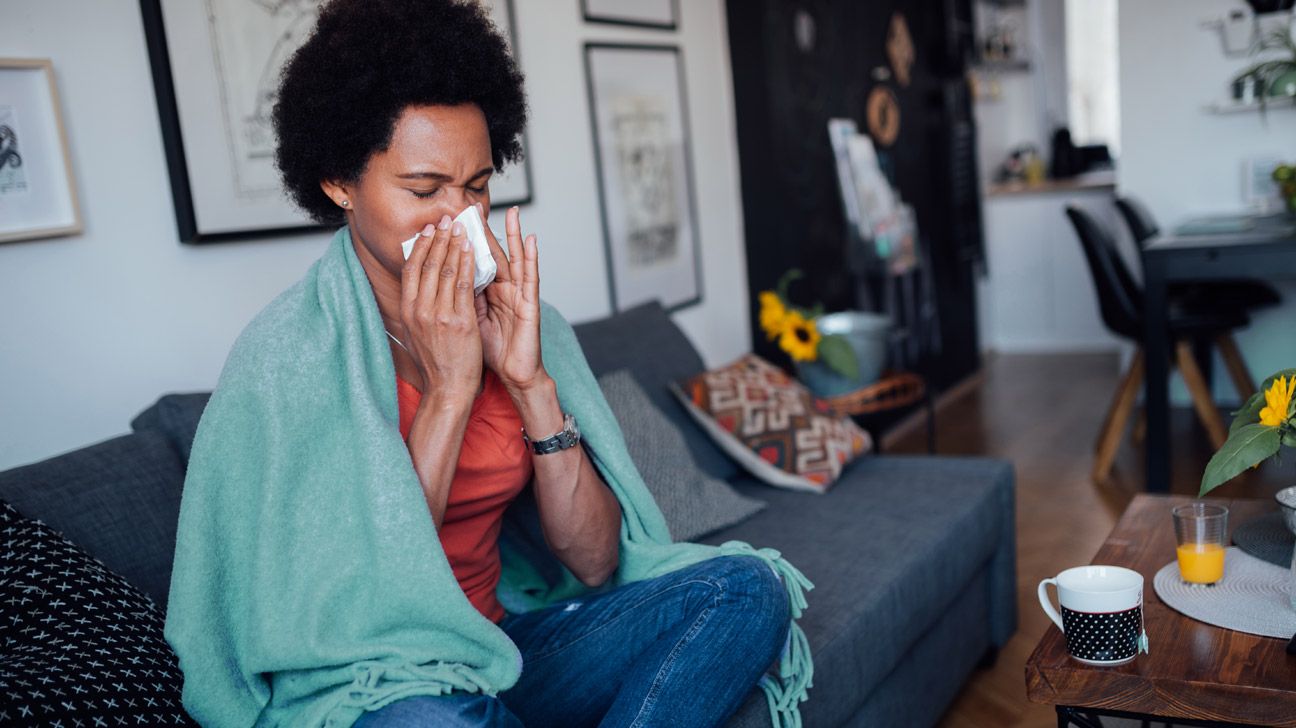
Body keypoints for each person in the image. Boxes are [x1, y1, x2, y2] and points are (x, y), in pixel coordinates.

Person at [164, 1, 811, 726]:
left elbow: (596, 564)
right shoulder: (285, 357)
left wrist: (530, 384)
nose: (458, 219)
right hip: (374, 679)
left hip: (501, 644)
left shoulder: (519, 322)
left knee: (746, 590)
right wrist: (449, 390)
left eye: (475, 186)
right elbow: (373, 594)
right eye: (423, 189)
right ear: (338, 182)